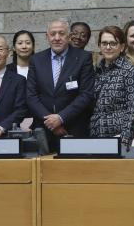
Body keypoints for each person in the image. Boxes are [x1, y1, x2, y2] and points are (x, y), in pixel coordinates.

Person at [26, 18, 95, 151]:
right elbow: (31, 96)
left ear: (69, 36)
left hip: (73, 128)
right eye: (53, 34)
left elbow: (86, 94)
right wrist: (51, 122)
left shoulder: (83, 58)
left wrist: (61, 118)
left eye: (61, 33)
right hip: (43, 130)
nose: (57, 38)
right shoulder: (36, 60)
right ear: (47, 37)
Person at [90, 26, 134, 148]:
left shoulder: (129, 71)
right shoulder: (96, 70)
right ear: (99, 46)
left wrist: (125, 139)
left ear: (122, 47)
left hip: (119, 138)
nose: (108, 47)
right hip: (96, 135)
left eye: (113, 43)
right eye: (104, 43)